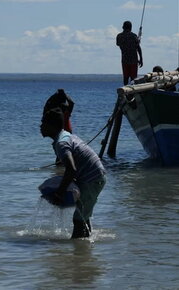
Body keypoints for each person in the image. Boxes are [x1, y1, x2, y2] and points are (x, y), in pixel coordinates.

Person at [40, 108, 106, 239]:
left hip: (92, 179)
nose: (40, 126)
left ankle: (77, 252)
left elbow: (71, 170)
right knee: (82, 215)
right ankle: (84, 249)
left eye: (43, 123)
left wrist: (59, 192)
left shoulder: (62, 143)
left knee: (78, 219)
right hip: (94, 176)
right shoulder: (65, 135)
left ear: (52, 126)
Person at [116, 20, 143, 85]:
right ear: (130, 28)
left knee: (125, 77)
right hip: (133, 60)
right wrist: (141, 59)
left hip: (124, 60)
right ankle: (132, 93)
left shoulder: (119, 36)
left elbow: (119, 44)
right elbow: (138, 48)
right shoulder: (133, 36)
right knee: (133, 78)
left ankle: (125, 91)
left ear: (123, 27)